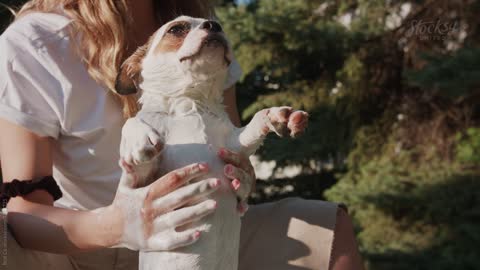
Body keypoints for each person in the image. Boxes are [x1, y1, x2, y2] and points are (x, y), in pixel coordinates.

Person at [0, 0, 364, 269]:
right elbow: (24, 213)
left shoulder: (205, 31)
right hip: (81, 251)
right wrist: (118, 225)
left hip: (199, 235)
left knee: (327, 229)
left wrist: (242, 177)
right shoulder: (34, 44)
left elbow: (229, 148)